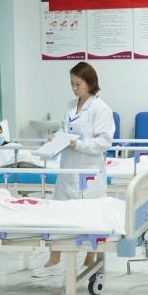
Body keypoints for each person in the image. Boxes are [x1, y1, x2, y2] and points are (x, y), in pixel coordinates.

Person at [32, 61, 115, 278]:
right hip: (68, 168)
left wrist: (78, 144)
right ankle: (54, 258)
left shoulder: (101, 108)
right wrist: (56, 137)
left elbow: (104, 142)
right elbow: (64, 129)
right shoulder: (71, 105)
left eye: (78, 84)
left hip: (89, 171)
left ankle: (90, 257)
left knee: (90, 215)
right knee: (59, 214)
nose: (74, 88)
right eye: (72, 83)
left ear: (90, 83)